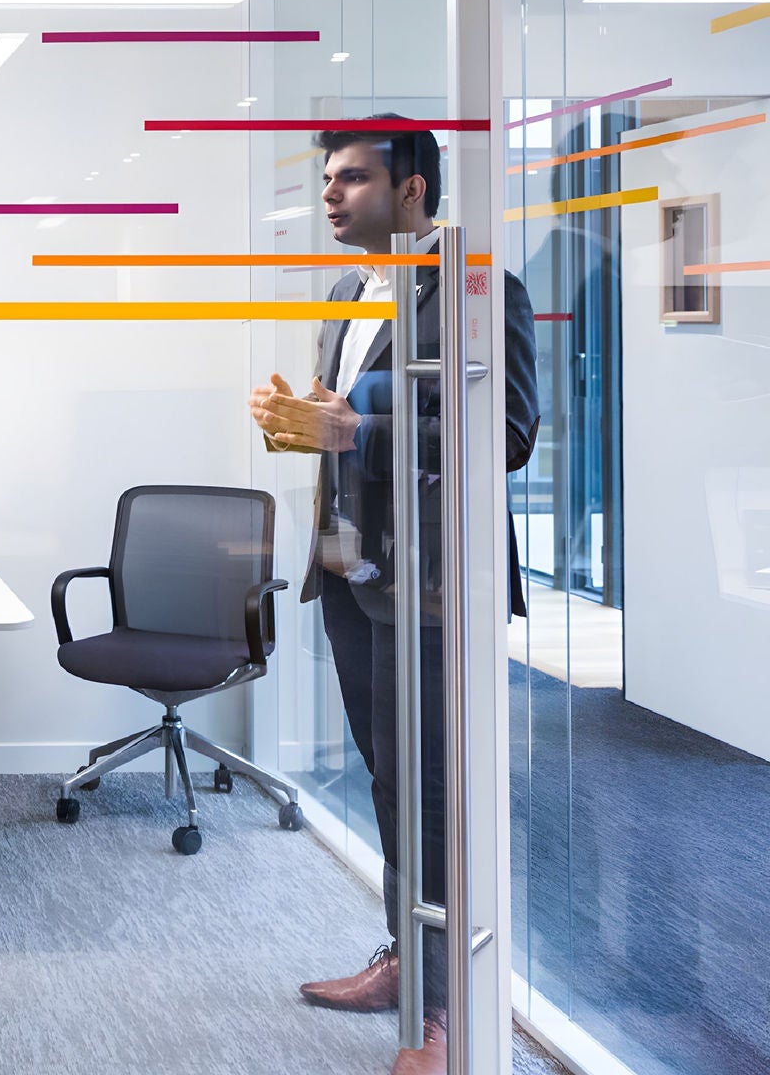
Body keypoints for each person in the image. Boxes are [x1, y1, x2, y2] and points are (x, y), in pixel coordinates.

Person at [248, 115, 538, 1075]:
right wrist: (298, 425)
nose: (331, 194)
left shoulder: (476, 291)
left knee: (437, 791)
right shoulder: (346, 291)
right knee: (388, 779)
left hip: (433, 589)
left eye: (353, 179)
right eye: (328, 179)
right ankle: (409, 960)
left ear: (413, 193)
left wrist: (354, 436)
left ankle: (447, 1010)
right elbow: (349, 423)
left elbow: (503, 437)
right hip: (348, 574)